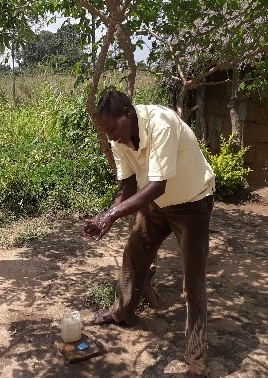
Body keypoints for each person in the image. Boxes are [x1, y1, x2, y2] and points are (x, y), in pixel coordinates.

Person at [83, 90, 215, 377]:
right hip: (155, 205)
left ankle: (195, 358)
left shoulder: (161, 123)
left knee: (193, 283)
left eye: (112, 128)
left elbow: (157, 186)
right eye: (105, 131)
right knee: (135, 253)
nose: (111, 136)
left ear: (128, 114)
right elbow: (128, 189)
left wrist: (112, 215)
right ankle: (122, 313)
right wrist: (104, 217)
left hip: (192, 204)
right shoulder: (119, 137)